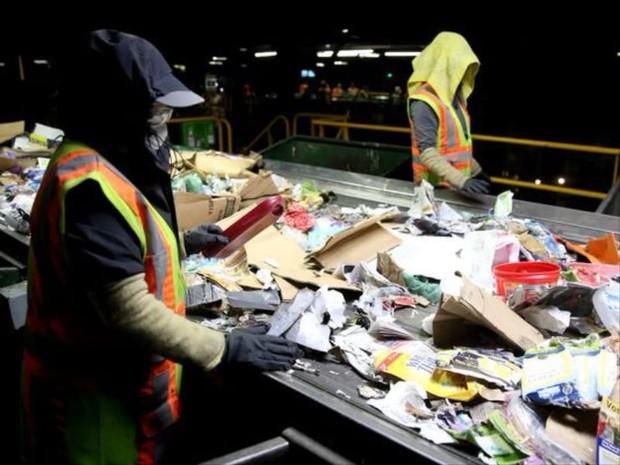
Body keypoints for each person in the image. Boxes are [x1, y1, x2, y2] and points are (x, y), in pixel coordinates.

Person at [22, 29, 302, 465]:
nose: (162, 125)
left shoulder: (104, 161)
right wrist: (223, 349)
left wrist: (181, 244)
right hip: (92, 416)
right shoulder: (88, 184)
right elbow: (127, 309)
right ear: (111, 109)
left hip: (124, 403)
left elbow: (117, 253)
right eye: (153, 112)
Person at [407, 31, 491, 194]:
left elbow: (456, 147)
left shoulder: (456, 99)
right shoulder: (424, 102)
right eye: (459, 66)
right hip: (434, 191)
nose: (463, 73)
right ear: (445, 65)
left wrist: (477, 171)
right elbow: (427, 152)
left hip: (456, 189)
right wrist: (462, 181)